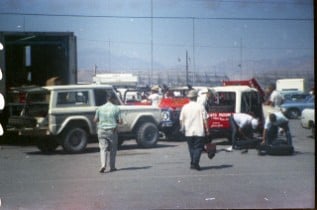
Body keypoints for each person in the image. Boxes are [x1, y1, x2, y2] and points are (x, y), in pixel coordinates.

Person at [179, 90, 209, 171]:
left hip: (188, 131)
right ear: (196, 97)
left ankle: (193, 163)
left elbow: (181, 119)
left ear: (189, 98)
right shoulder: (200, 107)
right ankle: (195, 163)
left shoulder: (185, 107)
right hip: (199, 130)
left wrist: (182, 127)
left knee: (191, 148)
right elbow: (205, 119)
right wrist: (207, 129)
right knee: (198, 148)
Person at [94, 92, 122, 173]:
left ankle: (103, 165)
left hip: (101, 130)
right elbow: (120, 121)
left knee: (103, 149)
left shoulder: (99, 108)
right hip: (112, 131)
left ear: (107, 99)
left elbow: (95, 120)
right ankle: (112, 167)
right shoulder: (116, 108)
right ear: (113, 99)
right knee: (113, 149)